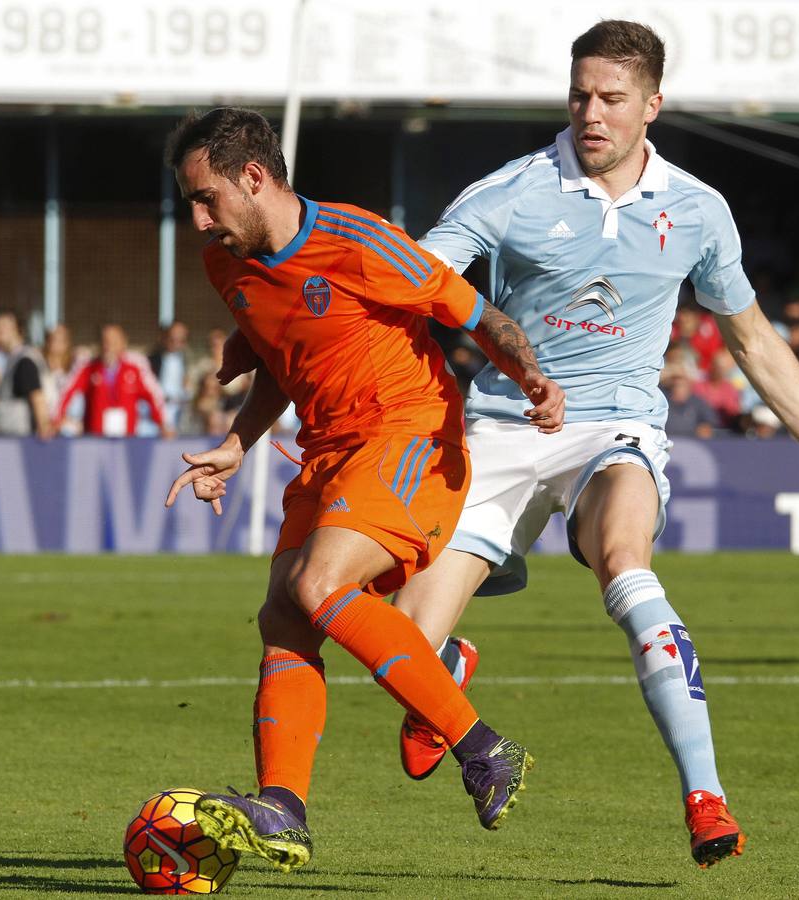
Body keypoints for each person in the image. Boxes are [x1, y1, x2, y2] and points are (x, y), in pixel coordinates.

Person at [377, 19, 799, 869]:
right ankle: (446, 655)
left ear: (651, 105)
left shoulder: (698, 209)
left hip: (616, 426)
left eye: (612, 98)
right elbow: (406, 291)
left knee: (627, 561)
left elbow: (754, 342)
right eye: (580, 95)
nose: (592, 113)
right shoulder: (507, 192)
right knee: (398, 639)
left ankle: (705, 797)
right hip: (501, 428)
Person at [162, 107, 565, 875]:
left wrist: (532, 379)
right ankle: (283, 806)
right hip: (325, 452)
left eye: (207, 197)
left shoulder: (358, 240)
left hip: (410, 435)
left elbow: (473, 313)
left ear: (254, 178)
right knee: (283, 615)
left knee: (319, 584)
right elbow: (285, 362)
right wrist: (237, 445)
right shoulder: (228, 263)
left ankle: (483, 747)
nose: (198, 218)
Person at [55, 324, 169, 437]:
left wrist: (163, 423)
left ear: (123, 343)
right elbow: (66, 392)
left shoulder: (136, 367)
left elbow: (154, 395)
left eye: (113, 342)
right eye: (105, 341)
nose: (108, 346)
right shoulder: (88, 367)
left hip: (127, 440)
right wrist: (56, 420)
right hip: (96, 439)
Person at [0, 310, 52, 438]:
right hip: (14, 437)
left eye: (3, 327)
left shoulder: (24, 359)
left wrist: (44, 428)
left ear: (17, 329)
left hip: (23, 439)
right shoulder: (11, 359)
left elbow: (37, 397)